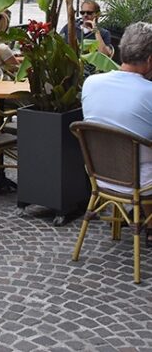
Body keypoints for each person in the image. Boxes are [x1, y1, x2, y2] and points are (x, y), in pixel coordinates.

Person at [81, 22, 152, 243]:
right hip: (140, 183)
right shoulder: (148, 93)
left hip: (100, 177)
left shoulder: (90, 83)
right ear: (150, 60)